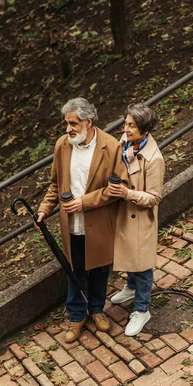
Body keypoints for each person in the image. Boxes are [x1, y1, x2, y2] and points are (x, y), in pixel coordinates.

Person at [37, 98, 127, 343]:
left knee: (98, 269)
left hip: (98, 223)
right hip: (71, 224)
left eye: (73, 123)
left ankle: (97, 310)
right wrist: (45, 209)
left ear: (88, 122)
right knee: (74, 269)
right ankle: (76, 316)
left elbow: (119, 187)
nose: (68, 129)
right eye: (66, 124)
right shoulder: (62, 146)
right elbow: (55, 184)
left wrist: (84, 202)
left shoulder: (110, 146)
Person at [107, 103, 165, 337]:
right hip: (124, 213)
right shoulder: (126, 144)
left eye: (131, 125)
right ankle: (130, 288)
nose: (125, 128)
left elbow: (154, 197)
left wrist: (127, 194)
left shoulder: (154, 159)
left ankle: (142, 310)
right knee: (128, 253)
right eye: (126, 122)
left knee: (141, 264)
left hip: (140, 216)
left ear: (144, 129)